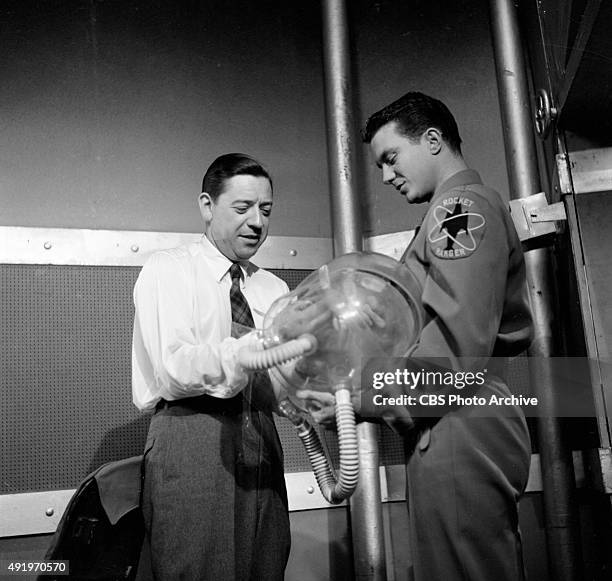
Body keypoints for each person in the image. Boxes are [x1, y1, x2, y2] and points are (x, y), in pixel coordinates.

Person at [296, 92, 534, 581]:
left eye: (391, 158)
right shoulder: (443, 216)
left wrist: (360, 398)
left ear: (431, 140)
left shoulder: (459, 211)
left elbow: (451, 352)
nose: (386, 176)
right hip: (448, 419)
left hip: (460, 416)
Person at [132, 153, 291, 580]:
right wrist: (245, 352)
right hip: (192, 433)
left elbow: (280, 379)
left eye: (266, 210)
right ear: (207, 205)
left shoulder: (273, 287)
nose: (257, 221)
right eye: (242, 208)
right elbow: (175, 368)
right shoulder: (169, 269)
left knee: (266, 561)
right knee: (197, 568)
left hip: (261, 433)